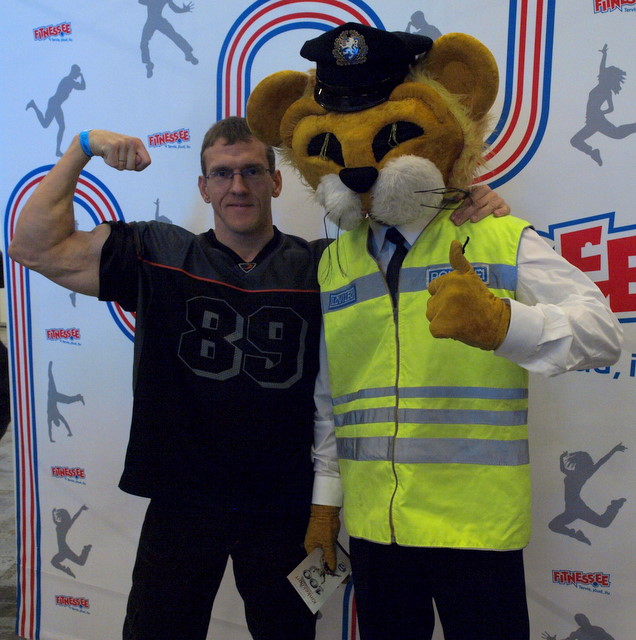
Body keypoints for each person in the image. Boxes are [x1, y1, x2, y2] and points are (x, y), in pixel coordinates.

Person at [8, 118, 508, 640]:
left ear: (276, 181)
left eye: (251, 171)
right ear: (204, 187)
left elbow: (410, 250)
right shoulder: (159, 253)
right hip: (183, 500)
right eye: (221, 174)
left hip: (284, 505)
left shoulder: (325, 265)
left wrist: (468, 207)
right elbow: (34, 247)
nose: (238, 186)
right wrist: (83, 148)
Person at [298, 23, 623, 640]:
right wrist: (326, 500)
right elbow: (332, 397)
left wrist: (505, 325)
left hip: (473, 531)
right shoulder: (336, 260)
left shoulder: (492, 233)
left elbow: (603, 333)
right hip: (377, 531)